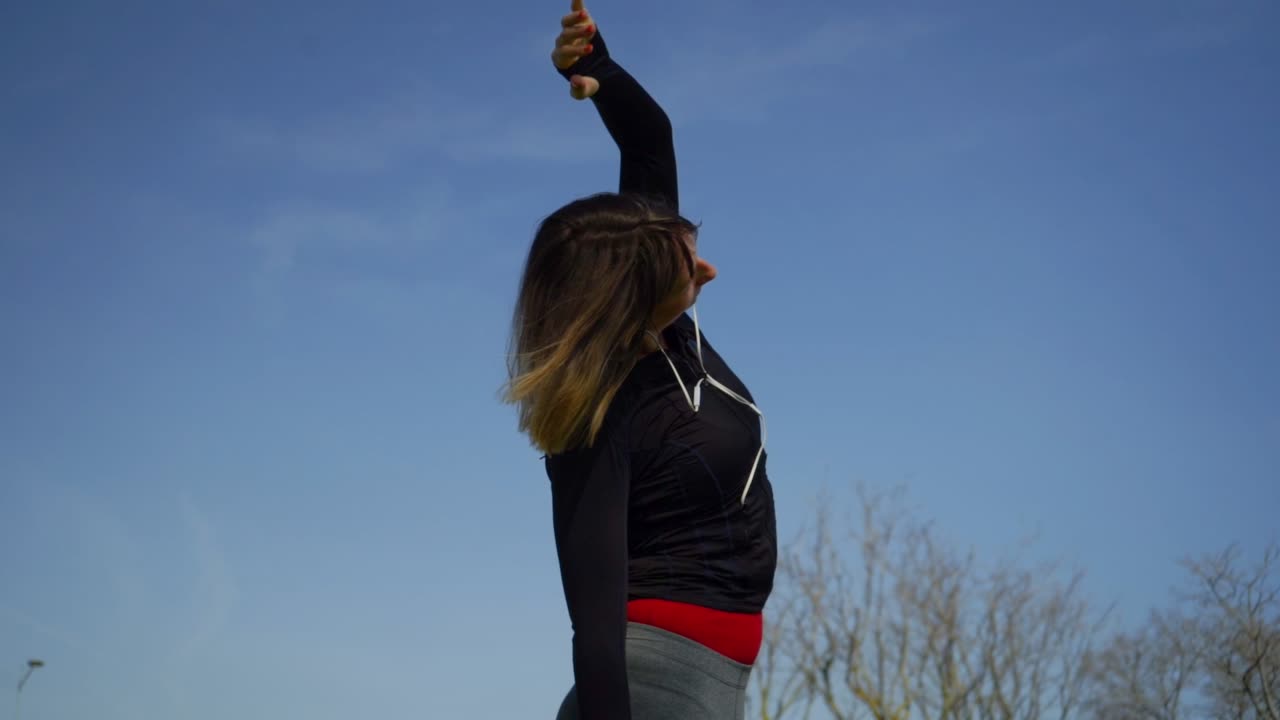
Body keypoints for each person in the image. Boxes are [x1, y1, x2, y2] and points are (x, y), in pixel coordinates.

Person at [504, 2, 777, 718]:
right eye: (690, 261)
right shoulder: (601, 410)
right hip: (649, 691)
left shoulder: (675, 337)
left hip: (719, 690)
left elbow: (650, 140)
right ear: (636, 283)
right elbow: (594, 631)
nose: (709, 268)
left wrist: (596, 64)